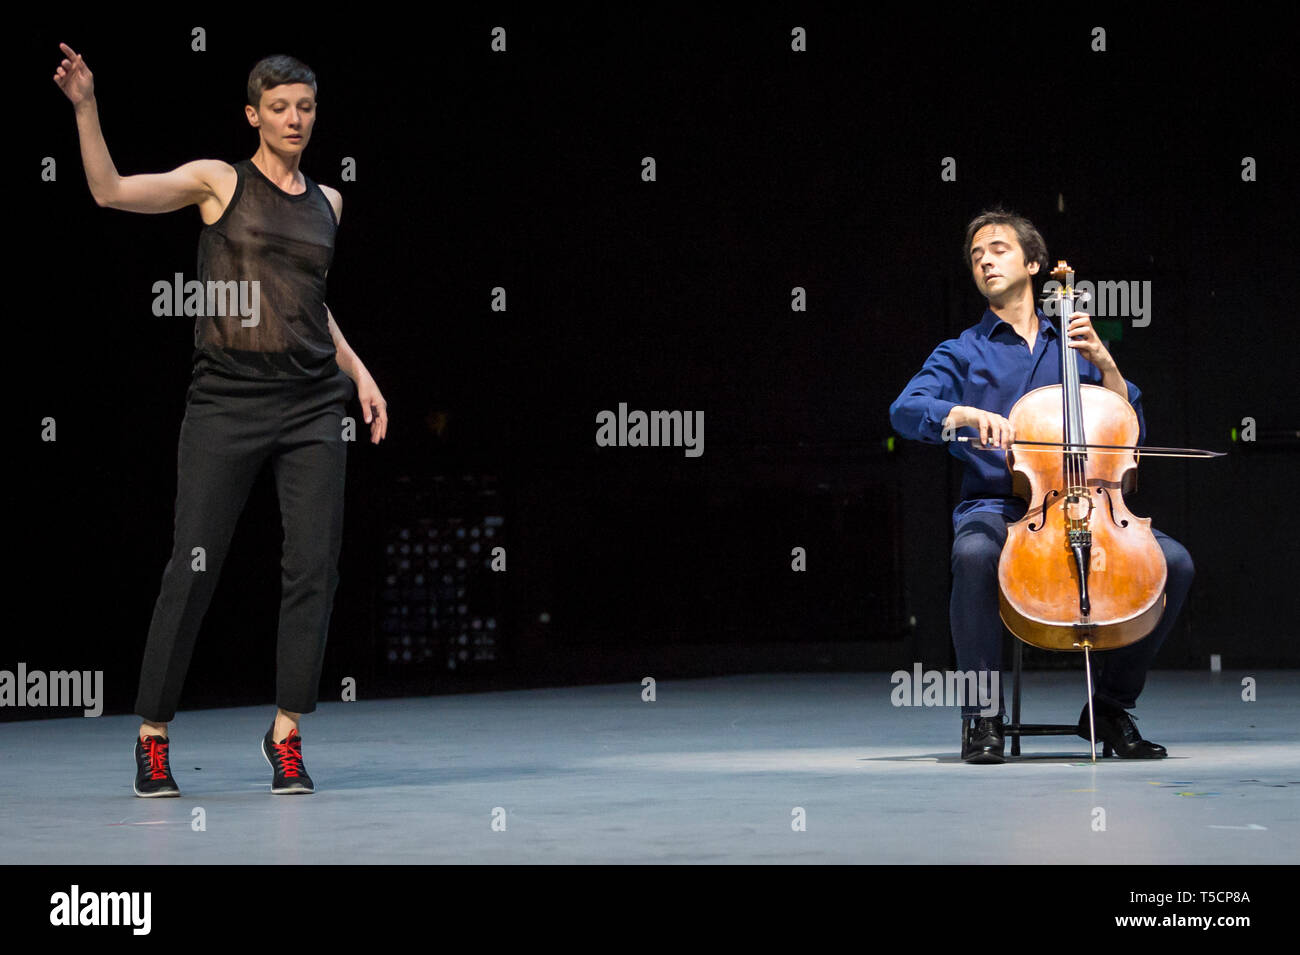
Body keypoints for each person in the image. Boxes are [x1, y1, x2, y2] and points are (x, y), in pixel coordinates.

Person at [53, 44, 389, 795]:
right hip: (226, 400)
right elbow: (109, 192)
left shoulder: (329, 202)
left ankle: (287, 733)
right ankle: (152, 734)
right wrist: (85, 106)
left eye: (304, 107)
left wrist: (360, 373)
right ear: (253, 115)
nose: (294, 118)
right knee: (193, 566)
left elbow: (309, 305)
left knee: (313, 567)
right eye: (279, 107)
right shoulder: (218, 181)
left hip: (310, 404)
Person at [888, 209, 1194, 763]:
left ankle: (1109, 707)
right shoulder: (961, 352)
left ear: (1033, 264)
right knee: (974, 553)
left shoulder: (1075, 347)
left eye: (999, 249)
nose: (984, 259)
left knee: (1174, 563)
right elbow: (905, 410)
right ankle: (982, 716)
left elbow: (1130, 429)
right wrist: (960, 413)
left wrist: (1107, 364)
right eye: (977, 254)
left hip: (1088, 505)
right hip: (997, 506)